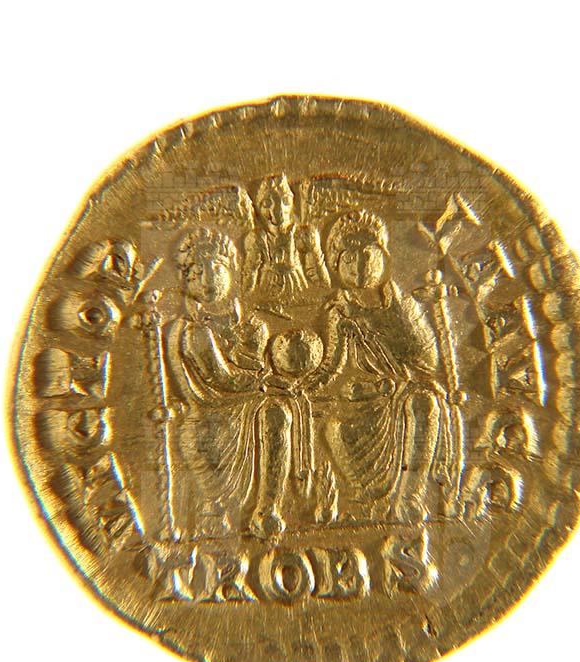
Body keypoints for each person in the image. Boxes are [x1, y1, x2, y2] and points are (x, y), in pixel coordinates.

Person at [308, 210, 451, 522]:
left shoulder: (403, 305)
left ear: (383, 258)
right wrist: (305, 383)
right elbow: (332, 367)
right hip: (360, 402)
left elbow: (429, 361)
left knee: (424, 403)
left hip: (402, 398)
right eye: (349, 259)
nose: (359, 266)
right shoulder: (338, 311)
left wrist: (383, 319)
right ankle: (356, 502)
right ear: (336, 266)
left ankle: (410, 495)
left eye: (367, 256)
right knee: (334, 429)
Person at [163, 228, 293, 538]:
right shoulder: (192, 330)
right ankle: (254, 511)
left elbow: (244, 365)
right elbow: (221, 379)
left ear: (231, 272)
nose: (209, 280)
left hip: (235, 407)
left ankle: (268, 509)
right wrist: (265, 382)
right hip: (213, 416)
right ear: (185, 280)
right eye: (198, 272)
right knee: (276, 414)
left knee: (278, 413)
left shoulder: (235, 324)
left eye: (217, 269)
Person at [243, 174, 330, 305]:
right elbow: (250, 275)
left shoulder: (302, 234)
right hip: (267, 289)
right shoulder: (257, 238)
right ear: (260, 207)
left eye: (285, 201)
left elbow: (321, 279)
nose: (277, 209)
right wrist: (247, 299)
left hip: (297, 287)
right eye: (268, 203)